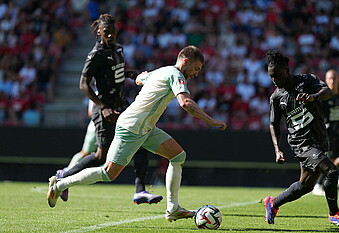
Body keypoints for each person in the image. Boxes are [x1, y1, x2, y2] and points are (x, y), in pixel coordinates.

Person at [47, 45, 227, 222]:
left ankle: (173, 208)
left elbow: (141, 79)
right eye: (196, 68)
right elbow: (185, 103)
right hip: (131, 127)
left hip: (146, 128)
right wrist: (211, 121)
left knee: (178, 156)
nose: (196, 73)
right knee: (108, 173)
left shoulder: (162, 71)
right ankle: (60, 185)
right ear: (185, 61)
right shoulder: (175, 75)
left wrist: (136, 76)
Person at [54, 13, 162, 205]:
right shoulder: (95, 54)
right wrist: (102, 107)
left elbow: (114, 71)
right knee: (100, 157)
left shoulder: (118, 49)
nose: (110, 36)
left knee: (142, 142)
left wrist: (128, 74)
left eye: (112, 32)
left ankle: (140, 191)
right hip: (105, 108)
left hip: (121, 105)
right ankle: (64, 175)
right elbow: (83, 85)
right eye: (106, 32)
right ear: (98, 32)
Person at [263, 50, 339, 227]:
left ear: (286, 69)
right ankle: (335, 214)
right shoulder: (276, 97)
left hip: (319, 139)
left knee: (305, 186)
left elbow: (327, 91)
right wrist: (277, 148)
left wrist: (314, 97)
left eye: (276, 76)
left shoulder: (307, 81)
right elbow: (273, 124)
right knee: (332, 171)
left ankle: (272, 203)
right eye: (271, 77)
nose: (274, 80)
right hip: (301, 143)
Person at [312, 69, 339, 195]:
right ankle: (318, 184)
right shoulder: (323, 96)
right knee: (330, 159)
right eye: (330, 79)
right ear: (326, 80)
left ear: (338, 79)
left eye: (334, 78)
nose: (332, 81)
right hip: (328, 133)